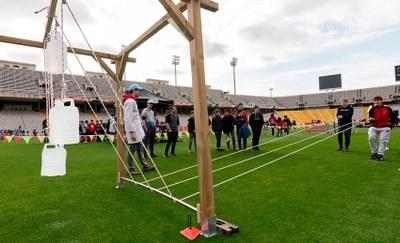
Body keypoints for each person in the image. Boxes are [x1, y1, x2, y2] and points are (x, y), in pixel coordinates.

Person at [123, 83, 155, 175]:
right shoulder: (130, 101)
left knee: (140, 148)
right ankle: (130, 169)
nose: (139, 92)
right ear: (133, 90)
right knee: (132, 149)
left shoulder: (132, 101)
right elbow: (128, 117)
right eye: (138, 90)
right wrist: (132, 132)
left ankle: (145, 166)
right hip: (133, 130)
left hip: (137, 129)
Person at [368, 95, 396, 161]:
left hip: (385, 127)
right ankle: (374, 152)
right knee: (371, 138)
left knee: (383, 141)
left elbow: (393, 118)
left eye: (378, 100)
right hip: (374, 126)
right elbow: (371, 118)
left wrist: (391, 125)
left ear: (381, 100)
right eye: (375, 100)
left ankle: (380, 154)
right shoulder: (372, 109)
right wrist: (371, 119)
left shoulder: (388, 109)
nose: (377, 102)